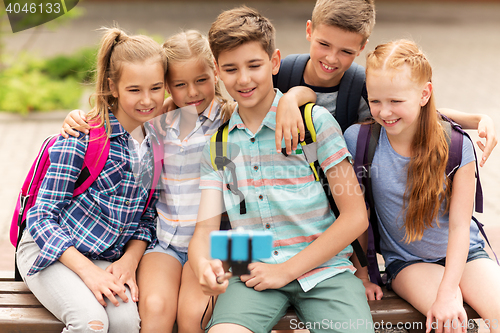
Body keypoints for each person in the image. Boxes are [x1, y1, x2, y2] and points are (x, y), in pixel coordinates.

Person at [189, 6, 373, 333]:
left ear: (274, 62)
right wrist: (203, 264)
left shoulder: (312, 125)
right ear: (217, 71)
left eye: (254, 65)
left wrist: (286, 270)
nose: (243, 79)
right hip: (251, 271)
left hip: (325, 271)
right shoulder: (218, 146)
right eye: (230, 69)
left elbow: (355, 216)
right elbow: (205, 229)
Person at [16, 27, 167, 333]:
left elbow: (148, 218)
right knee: (91, 323)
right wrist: (89, 274)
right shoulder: (82, 136)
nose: (148, 100)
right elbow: (41, 216)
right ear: (112, 86)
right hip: (50, 250)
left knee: (126, 323)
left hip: (104, 256)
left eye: (156, 88)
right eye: (134, 90)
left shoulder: (158, 147)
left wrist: (129, 261)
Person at [343, 40, 500, 333]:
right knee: (450, 323)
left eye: (396, 101)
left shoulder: (457, 146)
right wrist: (363, 274)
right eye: (375, 101)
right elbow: (357, 217)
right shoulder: (359, 141)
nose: (385, 112)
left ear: (424, 94)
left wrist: (447, 291)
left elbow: (458, 227)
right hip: (408, 262)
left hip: (465, 254)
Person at [274, 0, 497, 166]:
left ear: (362, 48)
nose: (331, 58)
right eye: (324, 44)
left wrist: (478, 119)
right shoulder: (279, 75)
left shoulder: (364, 87)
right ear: (309, 30)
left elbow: (419, 112)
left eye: (345, 51)